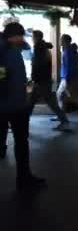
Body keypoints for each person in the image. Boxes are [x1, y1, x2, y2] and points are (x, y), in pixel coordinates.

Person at [0, 23, 46, 190]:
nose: (23, 39)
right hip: (13, 105)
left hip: (8, 104)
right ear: (14, 36)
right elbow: (9, 78)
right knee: (21, 142)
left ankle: (24, 177)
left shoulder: (7, 49)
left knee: (19, 141)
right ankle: (24, 178)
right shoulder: (8, 52)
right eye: (21, 36)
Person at [29, 31, 69, 131]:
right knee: (45, 102)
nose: (31, 38)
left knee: (33, 103)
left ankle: (64, 122)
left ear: (35, 37)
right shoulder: (45, 48)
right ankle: (64, 122)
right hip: (45, 81)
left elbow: (37, 66)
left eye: (32, 37)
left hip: (41, 82)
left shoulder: (39, 48)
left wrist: (33, 78)